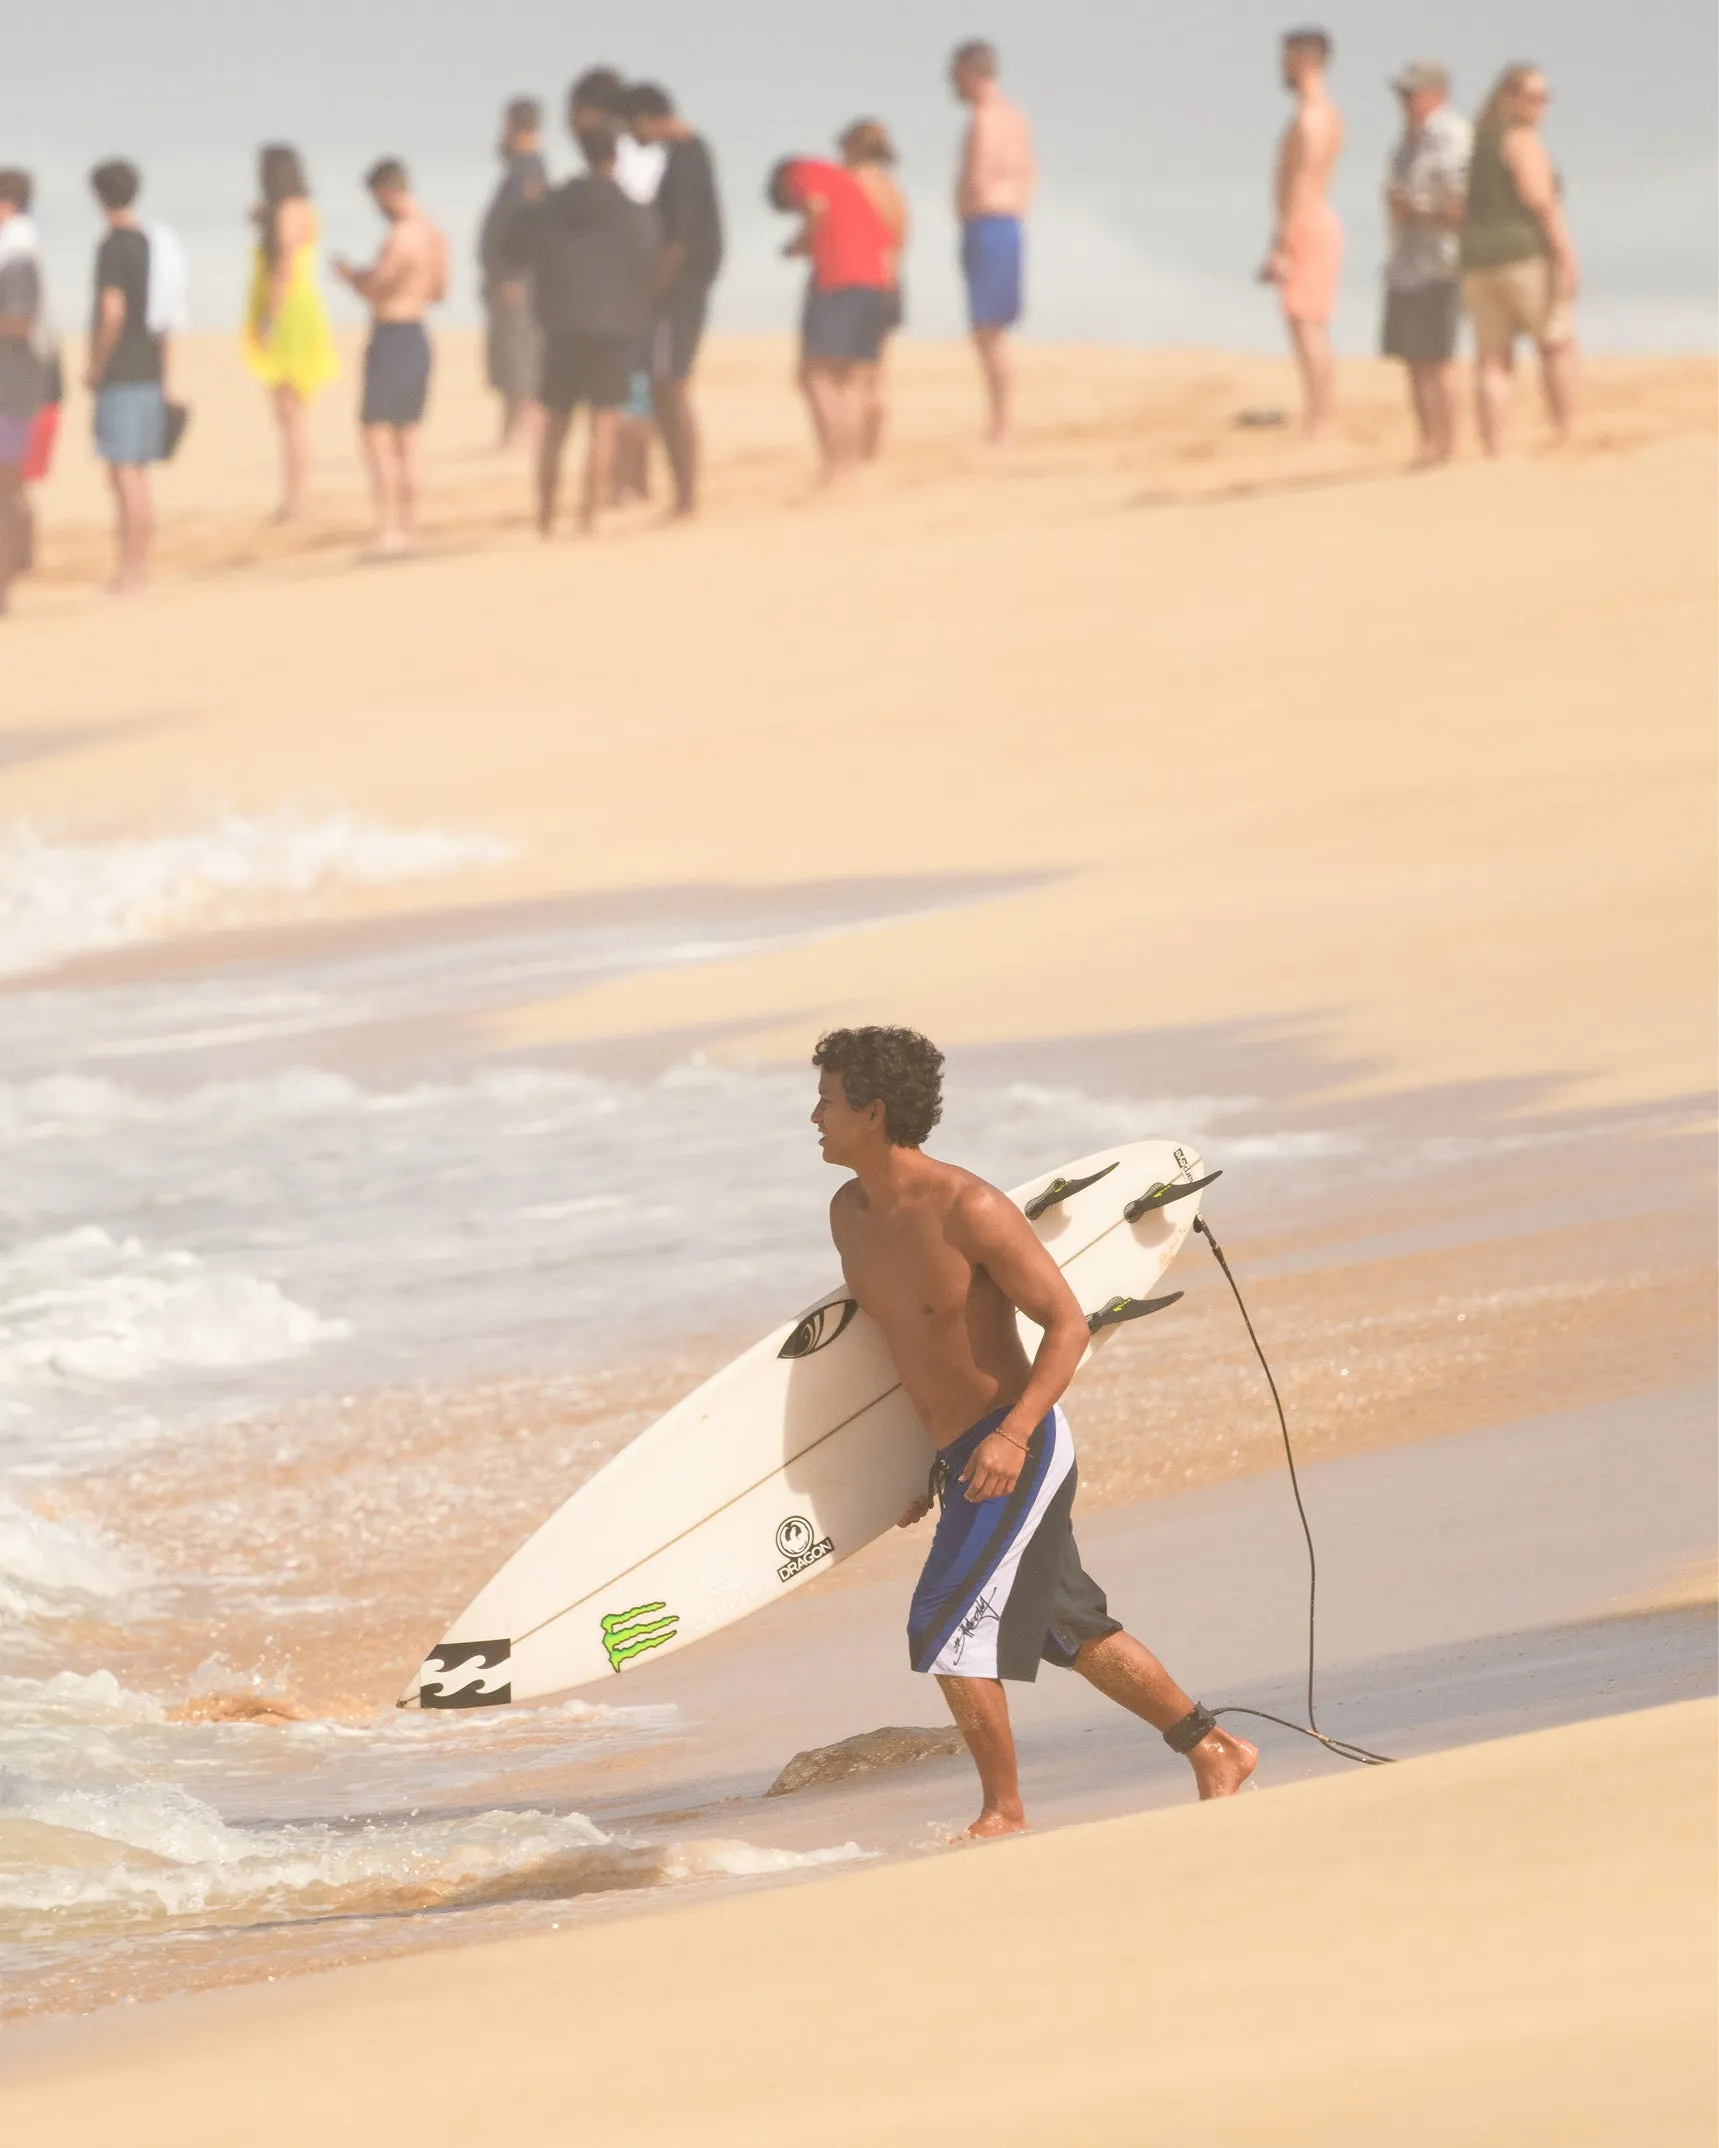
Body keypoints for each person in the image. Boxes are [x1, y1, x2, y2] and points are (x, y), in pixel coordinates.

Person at [811, 1027, 1258, 1836]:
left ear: (872, 1113)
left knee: (943, 1626)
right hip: (961, 1457)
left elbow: (1064, 1326)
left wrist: (1010, 1436)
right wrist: (917, 1467)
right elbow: (910, 1356)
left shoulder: (967, 1208)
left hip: (1018, 1448)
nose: (814, 1116)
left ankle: (1003, 1812)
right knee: (1070, 1627)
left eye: (828, 1101)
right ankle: (1214, 1748)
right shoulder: (850, 1216)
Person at [499, 103, 660, 538]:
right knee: (603, 424)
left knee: (555, 425)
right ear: (616, 157)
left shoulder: (556, 202)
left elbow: (514, 242)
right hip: (614, 326)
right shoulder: (632, 210)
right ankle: (588, 517)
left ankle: (546, 517)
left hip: (564, 322)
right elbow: (650, 258)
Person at [1460, 64, 1579, 454]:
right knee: (1556, 343)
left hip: (1477, 262)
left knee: (1492, 358)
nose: (1539, 106)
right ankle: (1566, 433)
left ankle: (1495, 446)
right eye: (1532, 97)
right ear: (1508, 97)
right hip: (1524, 256)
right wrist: (1565, 255)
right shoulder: (1521, 139)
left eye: (1544, 97)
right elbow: (1541, 201)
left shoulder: (1480, 142)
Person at [334, 159, 448, 558]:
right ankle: (410, 523)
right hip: (418, 330)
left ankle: (390, 525)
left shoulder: (401, 237)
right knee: (409, 434)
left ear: (387, 191)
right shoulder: (433, 233)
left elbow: (377, 286)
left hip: (394, 333)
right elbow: (440, 289)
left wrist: (350, 277)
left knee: (378, 434)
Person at [627, 81, 724, 517]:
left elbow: (680, 240)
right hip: (684, 287)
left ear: (647, 118)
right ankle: (684, 495)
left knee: (670, 388)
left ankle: (687, 498)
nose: (633, 137)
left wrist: (651, 291)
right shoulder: (691, 153)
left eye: (633, 126)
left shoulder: (685, 160)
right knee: (666, 389)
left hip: (678, 292)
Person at [768, 154, 893, 483]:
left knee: (817, 377)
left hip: (838, 280)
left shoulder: (801, 171)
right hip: (875, 281)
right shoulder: (844, 181)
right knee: (849, 379)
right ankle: (850, 465)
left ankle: (836, 465)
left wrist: (800, 243)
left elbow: (815, 205)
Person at [572, 68, 665, 505]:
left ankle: (623, 484)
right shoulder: (649, 152)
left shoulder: (620, 157)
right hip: (642, 287)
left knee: (624, 392)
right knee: (638, 389)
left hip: (623, 291)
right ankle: (635, 481)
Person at [1382, 61, 1471, 466]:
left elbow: (1463, 206)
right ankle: (1428, 442)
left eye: (1412, 94)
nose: (1405, 102)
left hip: (1440, 262)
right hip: (1407, 262)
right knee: (1413, 358)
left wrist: (1417, 212)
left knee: (1437, 357)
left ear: (1437, 93)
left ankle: (1448, 446)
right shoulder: (1407, 142)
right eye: (1402, 94)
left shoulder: (1452, 137)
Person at [244, 144, 340, 522]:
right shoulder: (303, 210)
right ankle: (296, 496)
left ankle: (295, 499)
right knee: (294, 414)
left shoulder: (285, 211)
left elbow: (283, 264)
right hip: (304, 308)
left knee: (290, 415)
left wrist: (269, 318)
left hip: (288, 313)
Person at [86, 160, 168, 595]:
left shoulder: (113, 247)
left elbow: (112, 310)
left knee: (124, 476)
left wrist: (97, 363)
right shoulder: (152, 244)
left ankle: (130, 572)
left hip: (122, 372)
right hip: (150, 368)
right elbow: (166, 317)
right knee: (137, 473)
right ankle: (139, 569)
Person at [1260, 27, 1345, 438]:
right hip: (1309, 220)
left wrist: (1283, 242)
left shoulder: (1312, 116)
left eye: (1288, 58)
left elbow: (1302, 180)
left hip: (1307, 222)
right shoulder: (1318, 113)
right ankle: (1318, 414)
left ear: (1305, 60)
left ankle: (1320, 419)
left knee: (1307, 321)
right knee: (1304, 320)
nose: (1283, 67)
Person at [949, 40, 1034, 445]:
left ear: (969, 73)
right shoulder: (1014, 117)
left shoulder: (986, 118)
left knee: (988, 329)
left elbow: (979, 175)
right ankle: (1002, 422)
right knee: (992, 329)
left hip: (988, 223)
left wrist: (968, 201)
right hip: (1007, 223)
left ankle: (1003, 425)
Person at [477, 98, 547, 451]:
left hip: (516, 282)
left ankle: (525, 437)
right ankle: (509, 434)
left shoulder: (529, 172)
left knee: (520, 359)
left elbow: (528, 228)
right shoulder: (521, 170)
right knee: (509, 360)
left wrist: (511, 275)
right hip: (509, 280)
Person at [839, 120, 907, 460]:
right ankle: (872, 454)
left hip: (860, 284)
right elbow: (902, 241)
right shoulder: (893, 190)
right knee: (877, 377)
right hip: (892, 283)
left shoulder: (854, 184)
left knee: (853, 380)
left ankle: (854, 458)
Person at [0, 171, 46, 616]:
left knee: (5, 491)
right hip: (12, 387)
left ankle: (5, 590)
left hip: (8, 388)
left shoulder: (17, 256)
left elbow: (20, 321)